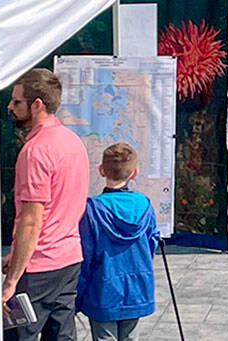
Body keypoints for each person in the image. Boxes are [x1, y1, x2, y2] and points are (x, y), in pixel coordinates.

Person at [4, 68, 90, 341]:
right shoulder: (72, 141)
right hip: (69, 259)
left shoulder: (35, 151)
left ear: (37, 104)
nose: (10, 107)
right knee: (61, 335)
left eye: (17, 101)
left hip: (39, 266)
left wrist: (11, 281)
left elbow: (32, 221)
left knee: (19, 335)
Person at [75, 143, 159, 341]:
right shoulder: (144, 204)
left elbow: (85, 257)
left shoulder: (92, 209)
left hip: (102, 289)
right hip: (136, 287)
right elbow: (151, 243)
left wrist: (78, 294)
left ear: (101, 170)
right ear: (134, 173)